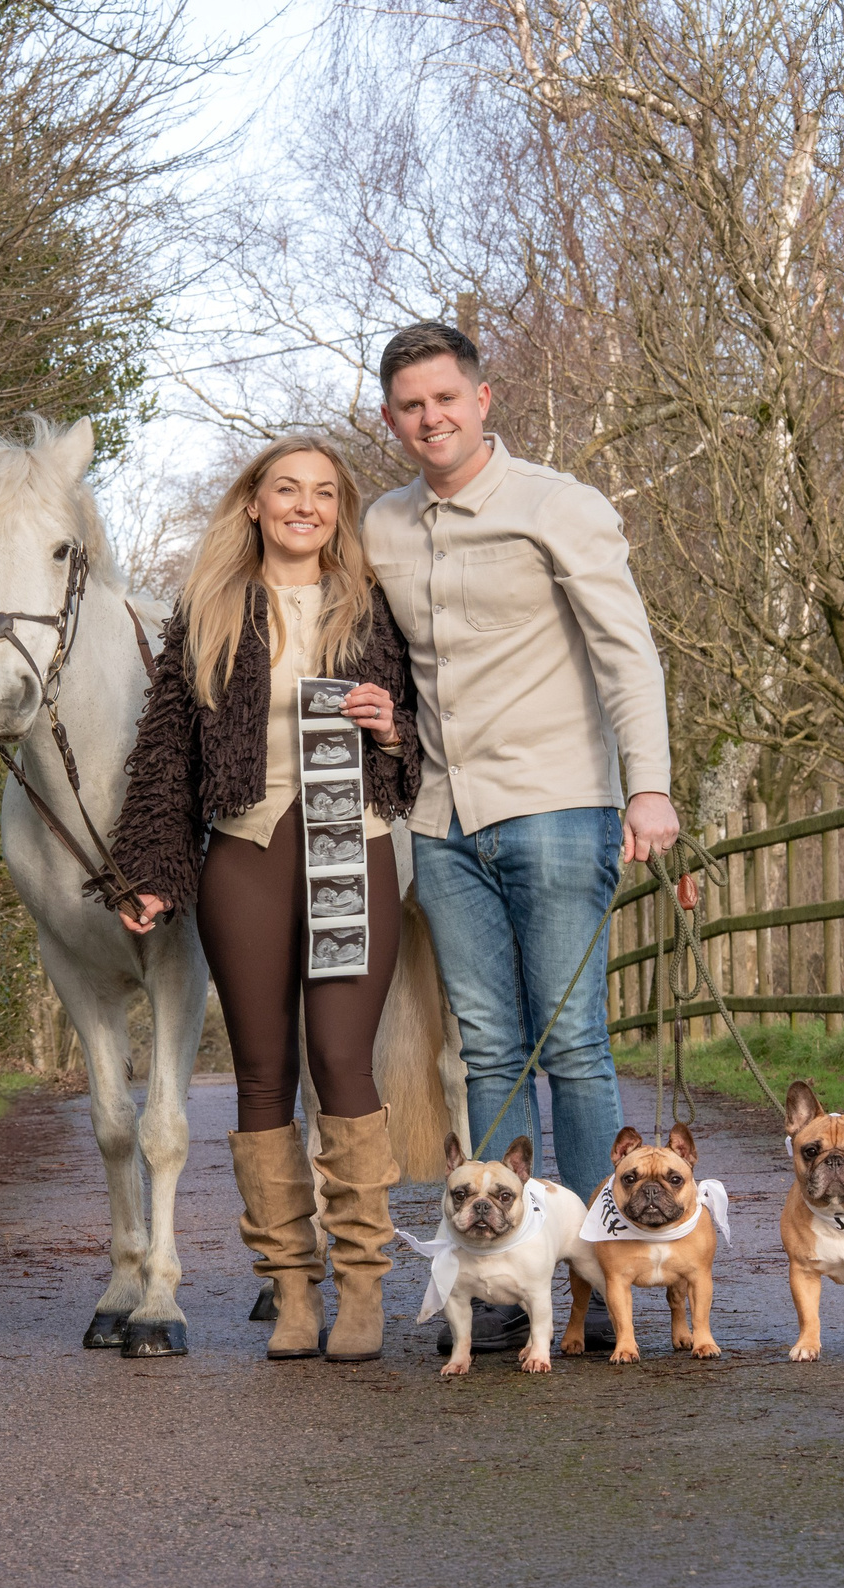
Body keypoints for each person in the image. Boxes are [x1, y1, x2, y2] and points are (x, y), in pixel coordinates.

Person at [363, 321, 684, 1353]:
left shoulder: (558, 506)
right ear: (390, 418)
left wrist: (651, 790)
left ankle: (603, 1274)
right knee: (490, 1048)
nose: (431, 419)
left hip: (555, 803)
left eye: (446, 399)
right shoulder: (382, 526)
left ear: (482, 398)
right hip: (442, 820)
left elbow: (627, 655)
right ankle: (507, 1280)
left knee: (574, 1042)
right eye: (411, 406)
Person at [108, 436, 419, 1363]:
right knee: (260, 1070)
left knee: (341, 1056)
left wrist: (391, 727)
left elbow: (416, 740)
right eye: (287, 489)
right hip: (244, 856)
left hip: (351, 850)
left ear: (339, 510)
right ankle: (290, 1291)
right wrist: (150, 871)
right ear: (254, 502)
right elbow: (167, 750)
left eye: (324, 493)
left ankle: (362, 1288)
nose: (305, 505)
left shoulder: (373, 607)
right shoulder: (209, 609)